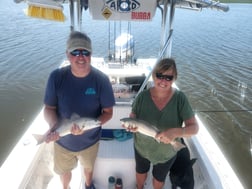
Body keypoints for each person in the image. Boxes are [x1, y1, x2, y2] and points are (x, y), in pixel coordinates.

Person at [43, 31, 115, 189]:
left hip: (90, 141)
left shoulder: (101, 80)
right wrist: (53, 127)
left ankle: (89, 185)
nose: (80, 57)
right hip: (62, 141)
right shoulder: (56, 77)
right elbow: (49, 108)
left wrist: (93, 124)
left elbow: (108, 113)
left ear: (91, 54)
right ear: (67, 54)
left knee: (88, 168)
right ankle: (66, 187)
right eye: (75, 52)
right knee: (64, 172)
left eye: (85, 52)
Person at [126, 58, 199, 189]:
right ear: (154, 75)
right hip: (142, 147)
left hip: (166, 152)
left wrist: (176, 132)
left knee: (159, 179)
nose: (163, 81)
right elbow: (133, 116)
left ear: (174, 78)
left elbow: (194, 128)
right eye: (160, 76)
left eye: (168, 77)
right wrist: (131, 126)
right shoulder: (142, 97)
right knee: (140, 172)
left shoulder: (180, 99)